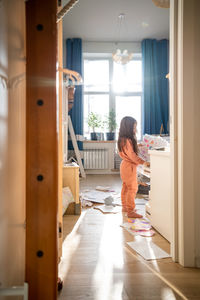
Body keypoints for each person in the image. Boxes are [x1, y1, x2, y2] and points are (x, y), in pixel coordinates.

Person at [118, 116, 149, 218]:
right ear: (128, 128)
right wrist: (143, 162)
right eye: (134, 127)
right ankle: (130, 211)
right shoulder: (128, 140)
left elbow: (128, 151)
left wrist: (138, 145)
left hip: (124, 166)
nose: (135, 130)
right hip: (129, 167)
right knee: (133, 188)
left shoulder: (122, 139)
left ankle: (125, 207)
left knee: (126, 187)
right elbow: (132, 156)